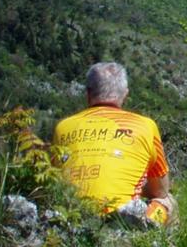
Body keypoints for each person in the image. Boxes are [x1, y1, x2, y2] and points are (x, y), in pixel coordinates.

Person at [53, 62, 175, 225]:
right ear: (125, 95)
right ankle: (158, 244)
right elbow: (160, 190)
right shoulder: (145, 125)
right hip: (124, 221)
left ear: (88, 94)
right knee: (167, 201)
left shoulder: (62, 127)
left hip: (70, 218)